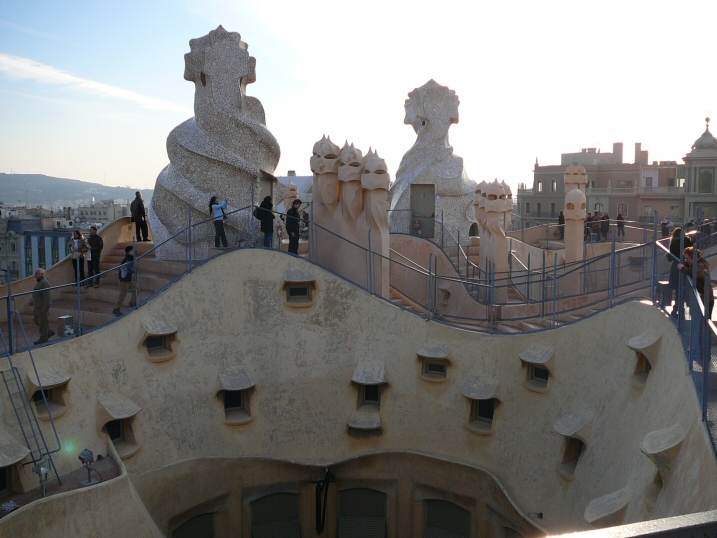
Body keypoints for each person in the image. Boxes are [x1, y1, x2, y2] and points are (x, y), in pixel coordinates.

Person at [678, 246, 714, 320]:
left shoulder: (702, 265)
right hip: (698, 298)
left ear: (694, 258)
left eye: (687, 258)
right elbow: (683, 264)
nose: (686, 260)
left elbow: (693, 271)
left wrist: (682, 267)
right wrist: (683, 265)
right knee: (696, 319)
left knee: (704, 321)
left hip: (706, 298)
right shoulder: (693, 264)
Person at [668, 227, 693, 318]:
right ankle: (691, 310)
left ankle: (676, 309)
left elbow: (670, 257)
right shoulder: (688, 242)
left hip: (676, 267)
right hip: (687, 267)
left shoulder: (673, 243)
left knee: (679, 290)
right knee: (688, 289)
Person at [32, 268, 55, 345]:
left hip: (41, 307)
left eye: (37, 273)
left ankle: (44, 337)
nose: (35, 275)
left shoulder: (44, 283)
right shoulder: (40, 282)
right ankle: (48, 331)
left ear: (42, 274)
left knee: (43, 322)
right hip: (37, 306)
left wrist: (45, 308)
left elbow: (47, 297)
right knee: (36, 320)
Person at [112, 246, 136, 316]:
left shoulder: (130, 258)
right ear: (129, 251)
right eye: (132, 250)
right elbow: (128, 268)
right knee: (122, 294)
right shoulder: (128, 259)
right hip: (124, 279)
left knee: (136, 289)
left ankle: (132, 303)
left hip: (128, 279)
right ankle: (116, 309)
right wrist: (133, 271)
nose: (133, 251)